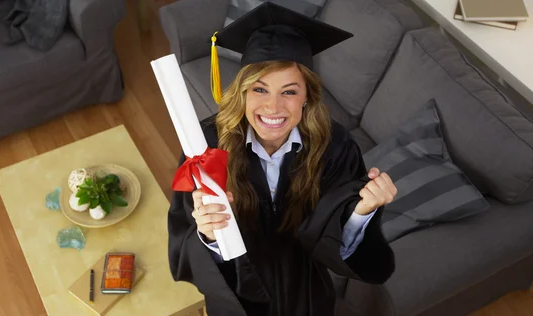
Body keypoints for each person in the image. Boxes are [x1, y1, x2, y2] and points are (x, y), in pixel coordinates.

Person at [167, 3, 398, 315]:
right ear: (242, 92)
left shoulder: (335, 146)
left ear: (308, 97)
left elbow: (334, 233)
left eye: (289, 92)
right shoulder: (206, 147)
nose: (273, 107)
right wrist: (209, 235)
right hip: (238, 295)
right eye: (260, 89)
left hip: (306, 295)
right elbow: (182, 236)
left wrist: (362, 211)